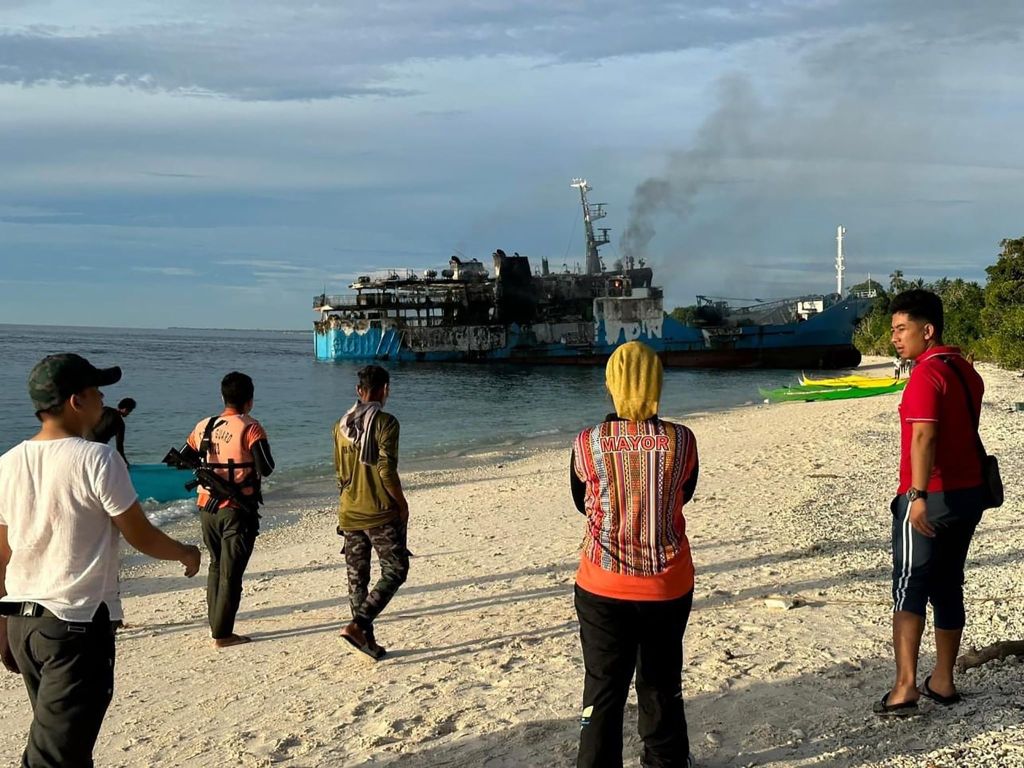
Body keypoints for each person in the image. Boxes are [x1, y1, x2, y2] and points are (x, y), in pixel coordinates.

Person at [0, 354, 200, 768]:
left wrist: (2, 622)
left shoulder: (8, 462)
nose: (103, 398)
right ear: (76, 401)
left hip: (24, 624)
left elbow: (3, 552)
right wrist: (184, 551)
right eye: (96, 391)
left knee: (66, 744)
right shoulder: (96, 458)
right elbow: (138, 533)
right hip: (74, 624)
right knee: (54, 756)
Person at [570, 341, 699, 768]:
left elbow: (581, 502)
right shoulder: (682, 440)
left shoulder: (587, 443)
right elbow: (685, 494)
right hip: (666, 582)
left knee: (604, 686)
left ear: (610, 385)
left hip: (602, 584)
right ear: (657, 382)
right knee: (661, 683)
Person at [876, 290, 988, 717]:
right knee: (948, 582)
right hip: (968, 495)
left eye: (901, 330)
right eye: (892, 331)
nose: (894, 339)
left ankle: (905, 686)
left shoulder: (925, 375)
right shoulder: (965, 370)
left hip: (931, 495)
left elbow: (924, 435)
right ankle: (942, 680)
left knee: (910, 583)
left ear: (928, 330)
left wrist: (918, 496)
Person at [186, 372, 274, 648]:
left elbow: (187, 456)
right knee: (231, 574)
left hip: (206, 507)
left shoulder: (204, 425)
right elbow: (266, 468)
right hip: (237, 508)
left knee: (215, 564)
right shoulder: (251, 427)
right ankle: (222, 634)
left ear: (223, 397)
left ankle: (216, 624)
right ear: (250, 401)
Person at [333, 364, 409, 660]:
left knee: (357, 579)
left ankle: (366, 639)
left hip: (349, 511)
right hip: (378, 510)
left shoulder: (339, 426)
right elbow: (386, 469)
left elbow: (340, 474)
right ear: (385, 389)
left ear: (358, 390)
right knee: (396, 570)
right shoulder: (386, 423)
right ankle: (359, 625)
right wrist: (401, 502)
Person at [86, 396, 136, 465]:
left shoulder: (105, 409)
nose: (129, 413)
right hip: (99, 448)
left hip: (85, 442)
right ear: (125, 409)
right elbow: (119, 447)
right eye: (130, 411)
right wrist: (125, 462)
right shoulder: (120, 424)